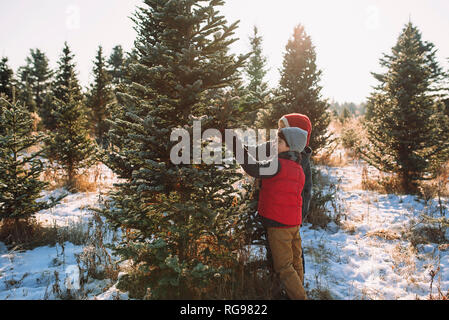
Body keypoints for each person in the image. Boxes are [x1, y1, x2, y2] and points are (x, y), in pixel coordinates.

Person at [227, 126, 308, 300]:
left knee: (284, 267)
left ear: (290, 146)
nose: (275, 145)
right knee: (296, 262)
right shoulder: (298, 167)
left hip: (278, 224)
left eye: (279, 142)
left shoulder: (278, 165)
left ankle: (300, 298)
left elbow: (253, 169)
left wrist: (234, 144)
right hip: (293, 223)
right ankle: (298, 293)